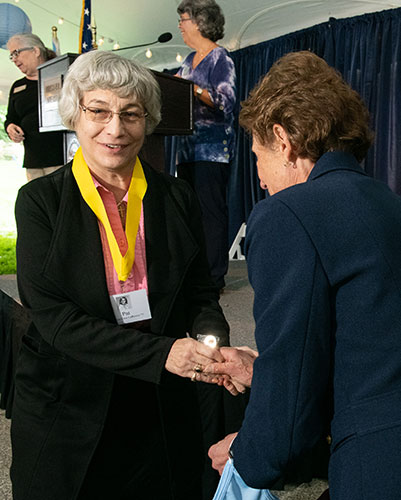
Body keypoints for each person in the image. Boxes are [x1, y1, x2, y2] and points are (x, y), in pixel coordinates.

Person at [11, 50, 232, 500]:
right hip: (71, 399)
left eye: (131, 114)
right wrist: (164, 353)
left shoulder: (177, 196)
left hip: (160, 398)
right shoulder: (39, 202)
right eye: (99, 111)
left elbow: (200, 293)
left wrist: (212, 342)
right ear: (74, 114)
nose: (115, 129)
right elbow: (54, 319)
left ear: (148, 120)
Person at [208, 50, 401, 500]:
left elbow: (288, 421)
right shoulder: (386, 202)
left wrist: (246, 454)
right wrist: (264, 369)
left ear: (282, 139)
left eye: (257, 157)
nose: (259, 178)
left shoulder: (286, 214)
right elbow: (369, 344)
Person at [176, 0, 236, 291]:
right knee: (189, 213)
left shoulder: (220, 58)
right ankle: (194, 274)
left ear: (199, 23)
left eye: (183, 19)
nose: (180, 25)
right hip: (186, 150)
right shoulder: (188, 61)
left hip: (211, 151)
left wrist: (193, 89)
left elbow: (225, 102)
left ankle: (214, 278)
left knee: (210, 214)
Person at [4, 33, 64, 182]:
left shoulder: (61, 78)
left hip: (61, 160)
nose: (14, 59)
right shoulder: (17, 87)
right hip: (33, 162)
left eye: (16, 53)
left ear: (36, 51)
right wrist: (10, 127)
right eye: (11, 56)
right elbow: (11, 118)